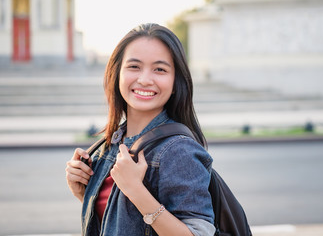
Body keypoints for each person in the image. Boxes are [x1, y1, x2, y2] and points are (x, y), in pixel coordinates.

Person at [65, 23, 215, 236]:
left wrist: (136, 190)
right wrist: (85, 193)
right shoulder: (109, 145)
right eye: (134, 66)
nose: (144, 79)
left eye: (160, 69)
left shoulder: (178, 151)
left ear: (175, 82)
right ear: (117, 73)